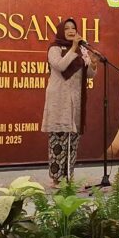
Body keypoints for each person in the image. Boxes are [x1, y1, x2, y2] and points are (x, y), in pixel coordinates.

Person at [41, 18, 99, 186]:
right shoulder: (54, 48)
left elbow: (89, 75)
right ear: (61, 31)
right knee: (58, 139)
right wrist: (73, 48)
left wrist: (93, 63)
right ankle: (56, 178)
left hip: (75, 98)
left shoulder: (82, 49)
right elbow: (60, 65)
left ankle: (68, 176)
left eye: (73, 28)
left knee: (72, 140)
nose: (71, 31)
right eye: (67, 28)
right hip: (59, 98)